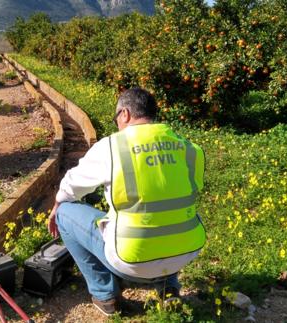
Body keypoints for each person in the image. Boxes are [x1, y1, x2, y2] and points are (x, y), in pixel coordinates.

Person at [47, 87, 206, 316]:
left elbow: (70, 187)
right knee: (172, 212)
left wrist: (56, 206)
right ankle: (168, 288)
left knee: (65, 212)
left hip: (130, 261)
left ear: (125, 114)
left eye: (116, 118)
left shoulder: (112, 147)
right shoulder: (190, 149)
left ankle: (106, 296)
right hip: (185, 253)